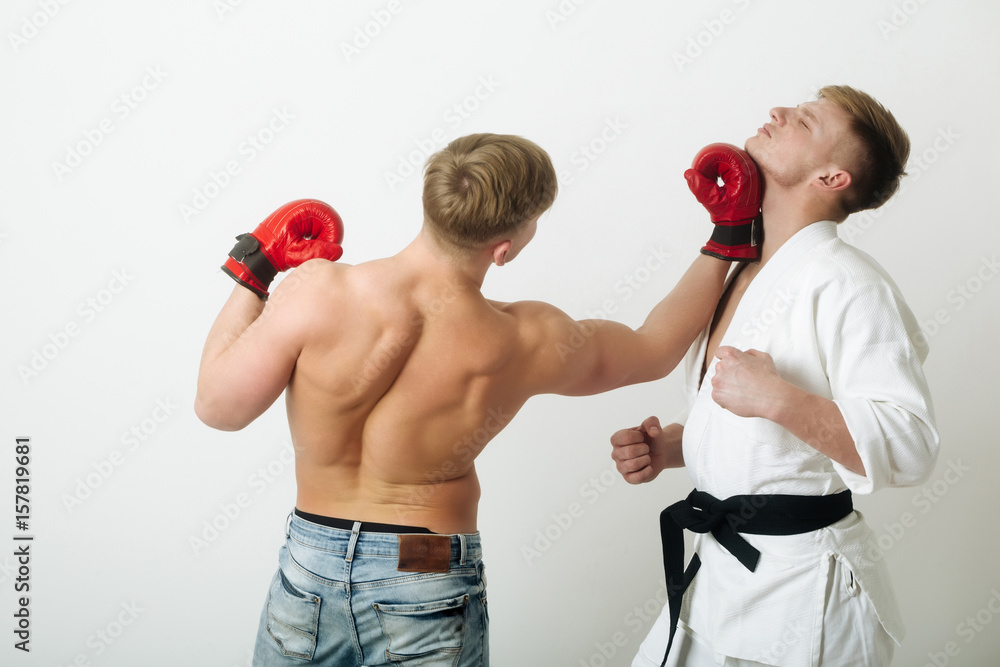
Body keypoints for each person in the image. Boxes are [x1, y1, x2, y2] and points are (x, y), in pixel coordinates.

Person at [194, 133, 755, 665]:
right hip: (426, 568)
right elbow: (654, 349)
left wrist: (254, 266)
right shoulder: (526, 339)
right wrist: (726, 237)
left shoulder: (317, 291)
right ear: (504, 248)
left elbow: (218, 409)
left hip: (310, 559)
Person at [610, 85, 940, 667]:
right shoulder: (743, 266)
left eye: (804, 122)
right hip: (718, 573)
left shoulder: (849, 284)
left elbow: (911, 447)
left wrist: (780, 399)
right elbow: (763, 434)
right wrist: (677, 446)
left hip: (806, 593)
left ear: (833, 178)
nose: (777, 112)